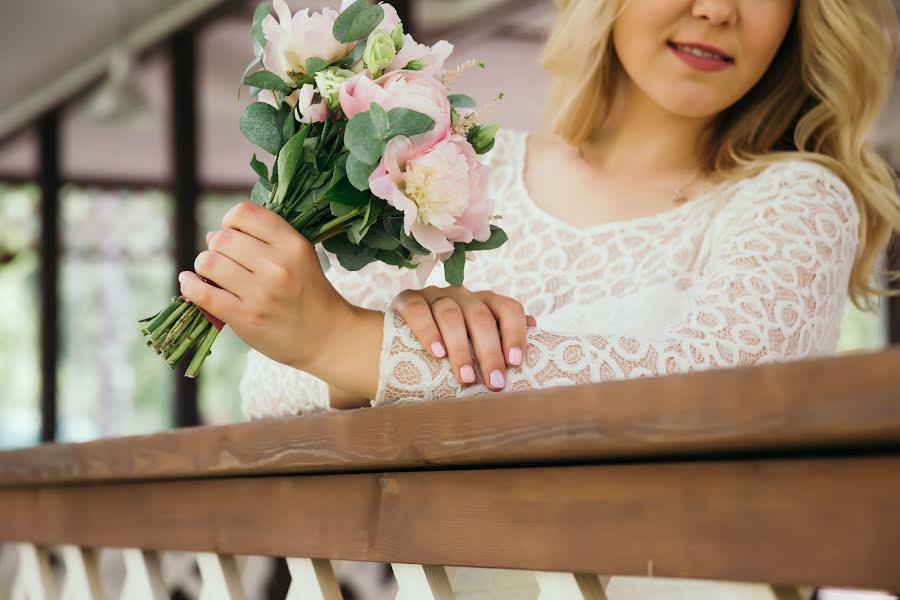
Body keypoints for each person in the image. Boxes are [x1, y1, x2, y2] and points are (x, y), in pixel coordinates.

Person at [179, 0, 900, 596]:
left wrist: (369, 347)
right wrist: (374, 337)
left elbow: (723, 391)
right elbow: (270, 384)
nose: (716, 10)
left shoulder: (797, 199)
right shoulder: (464, 168)